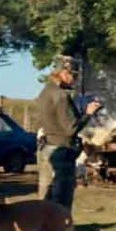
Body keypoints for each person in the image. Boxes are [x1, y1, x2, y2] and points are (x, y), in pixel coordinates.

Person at [33, 55, 101, 219]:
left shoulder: (44, 92)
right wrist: (88, 114)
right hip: (61, 150)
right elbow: (70, 128)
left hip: (46, 147)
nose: (75, 80)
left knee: (46, 195)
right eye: (74, 75)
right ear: (63, 73)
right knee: (61, 198)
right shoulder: (61, 96)